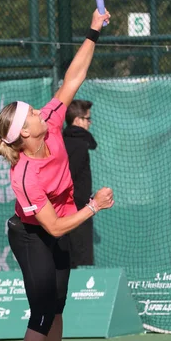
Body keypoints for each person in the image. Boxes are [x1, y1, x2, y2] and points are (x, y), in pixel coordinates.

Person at [0, 8, 114, 341]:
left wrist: (93, 29)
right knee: (42, 311)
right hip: (32, 236)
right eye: (32, 115)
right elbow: (56, 228)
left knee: (58, 305)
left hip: (57, 223)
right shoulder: (25, 173)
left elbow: (72, 78)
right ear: (25, 133)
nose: (41, 112)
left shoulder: (52, 124)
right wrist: (93, 206)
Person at [63, 99, 97, 267]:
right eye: (87, 119)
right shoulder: (78, 145)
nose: (90, 123)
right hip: (76, 210)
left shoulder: (63, 141)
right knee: (80, 260)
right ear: (77, 121)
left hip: (66, 210)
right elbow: (68, 176)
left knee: (68, 259)